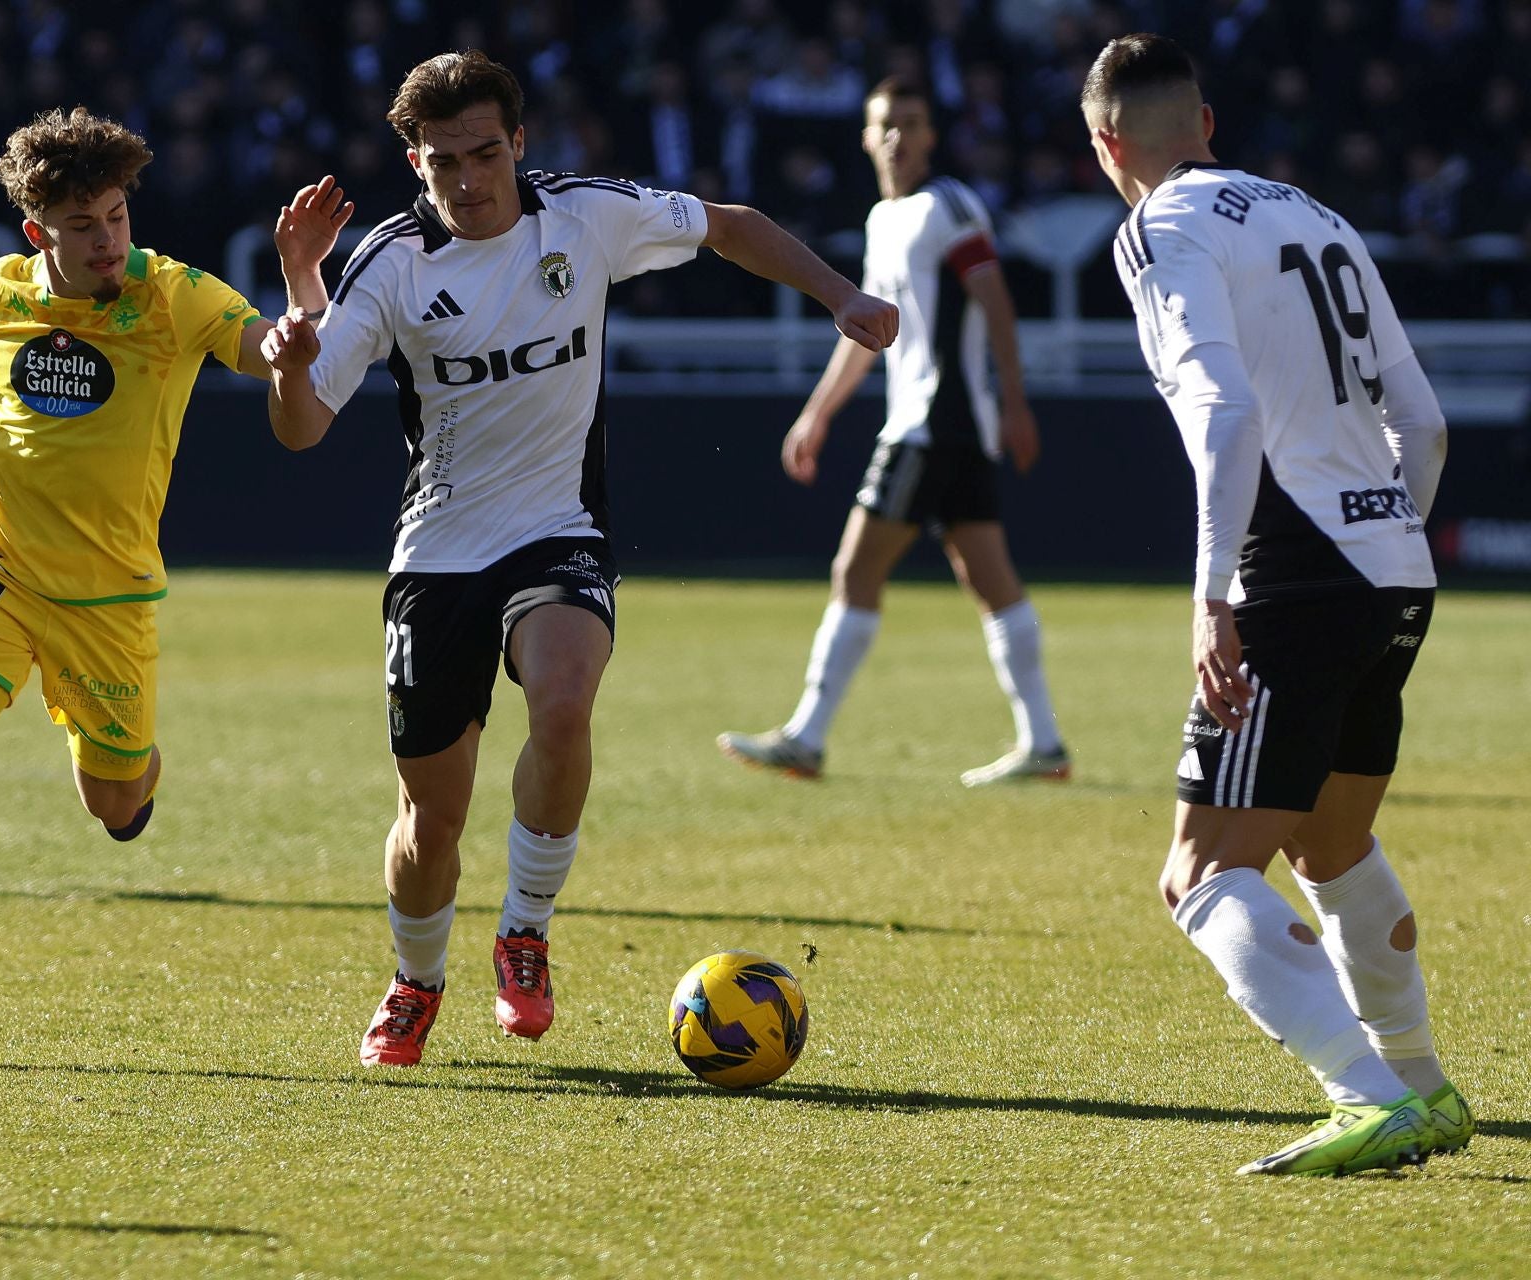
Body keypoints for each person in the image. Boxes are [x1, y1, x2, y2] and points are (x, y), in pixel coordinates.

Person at [262, 50, 899, 1068]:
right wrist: (296, 335)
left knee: (564, 698)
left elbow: (729, 224)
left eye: (483, 153)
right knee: (430, 820)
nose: (467, 180)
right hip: (437, 554)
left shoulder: (586, 215)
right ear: (413, 162)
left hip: (559, 525)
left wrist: (838, 296)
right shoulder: (389, 263)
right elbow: (300, 429)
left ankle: (525, 928)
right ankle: (416, 979)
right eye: (441, 163)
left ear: (518, 143)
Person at [0, 107, 346, 1067]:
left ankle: (130, 762)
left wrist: (289, 346)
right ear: (37, 233)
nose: (107, 240)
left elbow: (283, 384)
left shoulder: (177, 297)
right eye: (82, 226)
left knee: (116, 807)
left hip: (109, 599)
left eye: (115, 217)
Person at [1083, 33, 1466, 1175]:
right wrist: (1383, 533)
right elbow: (1427, 423)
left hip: (1293, 569)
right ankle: (1423, 1086)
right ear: (1205, 122)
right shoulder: (1315, 214)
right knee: (1331, 840)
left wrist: (1213, 598)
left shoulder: (1158, 229)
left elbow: (1223, 411)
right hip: (1392, 563)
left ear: (1108, 145)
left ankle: (1364, 1093)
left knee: (1201, 874)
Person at [717, 76, 1070, 786]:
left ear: (933, 135)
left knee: (856, 569)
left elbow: (995, 300)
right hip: (937, 421)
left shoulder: (949, 206)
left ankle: (807, 737)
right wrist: (820, 411)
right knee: (988, 577)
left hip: (933, 421)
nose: (900, 137)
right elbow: (864, 330)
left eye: (913, 122)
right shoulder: (887, 219)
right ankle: (1045, 745)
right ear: (868, 137)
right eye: (889, 124)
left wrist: (1016, 402)